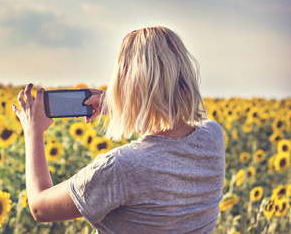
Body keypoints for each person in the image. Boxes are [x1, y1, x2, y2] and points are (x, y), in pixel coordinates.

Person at [12, 26, 225, 234]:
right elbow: (168, 126)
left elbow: (40, 207)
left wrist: (33, 132)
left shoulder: (121, 168)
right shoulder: (212, 137)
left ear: (127, 84)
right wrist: (119, 104)